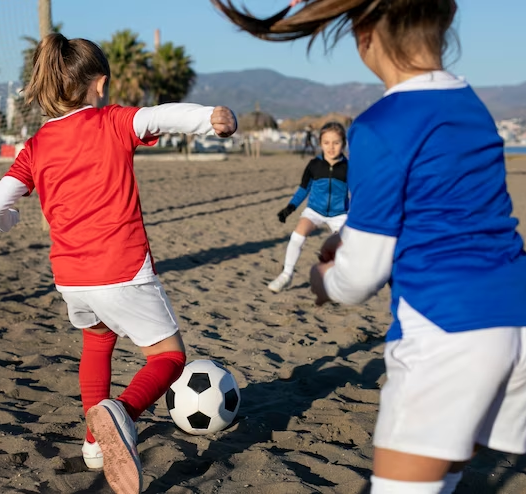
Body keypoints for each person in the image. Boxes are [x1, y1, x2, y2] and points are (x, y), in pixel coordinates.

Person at [212, 1, 526, 494]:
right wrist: (347, 235)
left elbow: (359, 280)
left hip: (445, 331)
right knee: (446, 478)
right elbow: (438, 210)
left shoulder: (382, 124)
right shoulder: (471, 104)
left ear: (364, 32)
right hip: (513, 319)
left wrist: (323, 280)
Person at [0, 33, 237, 494]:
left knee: (97, 344)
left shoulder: (36, 145)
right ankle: (122, 413)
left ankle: (93, 444)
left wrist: (9, 220)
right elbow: (162, 115)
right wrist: (210, 119)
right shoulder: (113, 122)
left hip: (71, 277)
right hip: (121, 268)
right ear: (98, 84)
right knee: (170, 357)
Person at [268, 121, 348, 293]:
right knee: (298, 233)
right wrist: (290, 208)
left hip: (340, 214)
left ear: (344, 144)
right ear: (320, 143)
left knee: (344, 245)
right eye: (326, 143)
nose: (331, 147)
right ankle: (286, 275)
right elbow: (303, 189)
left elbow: (357, 193)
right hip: (314, 210)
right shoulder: (314, 165)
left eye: (336, 143)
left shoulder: (349, 168)